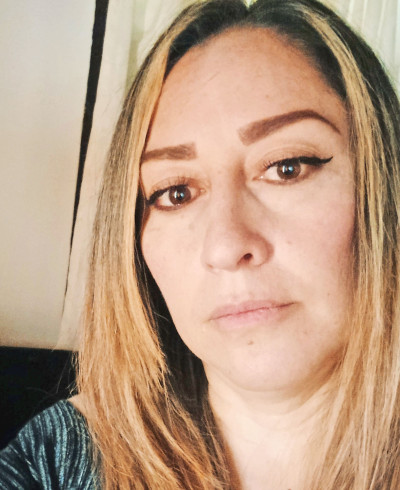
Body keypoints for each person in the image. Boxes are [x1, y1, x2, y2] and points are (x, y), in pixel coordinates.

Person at [2, 0, 400, 488]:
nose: (227, 245)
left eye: (287, 167)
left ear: (383, 185)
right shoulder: (52, 463)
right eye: (176, 193)